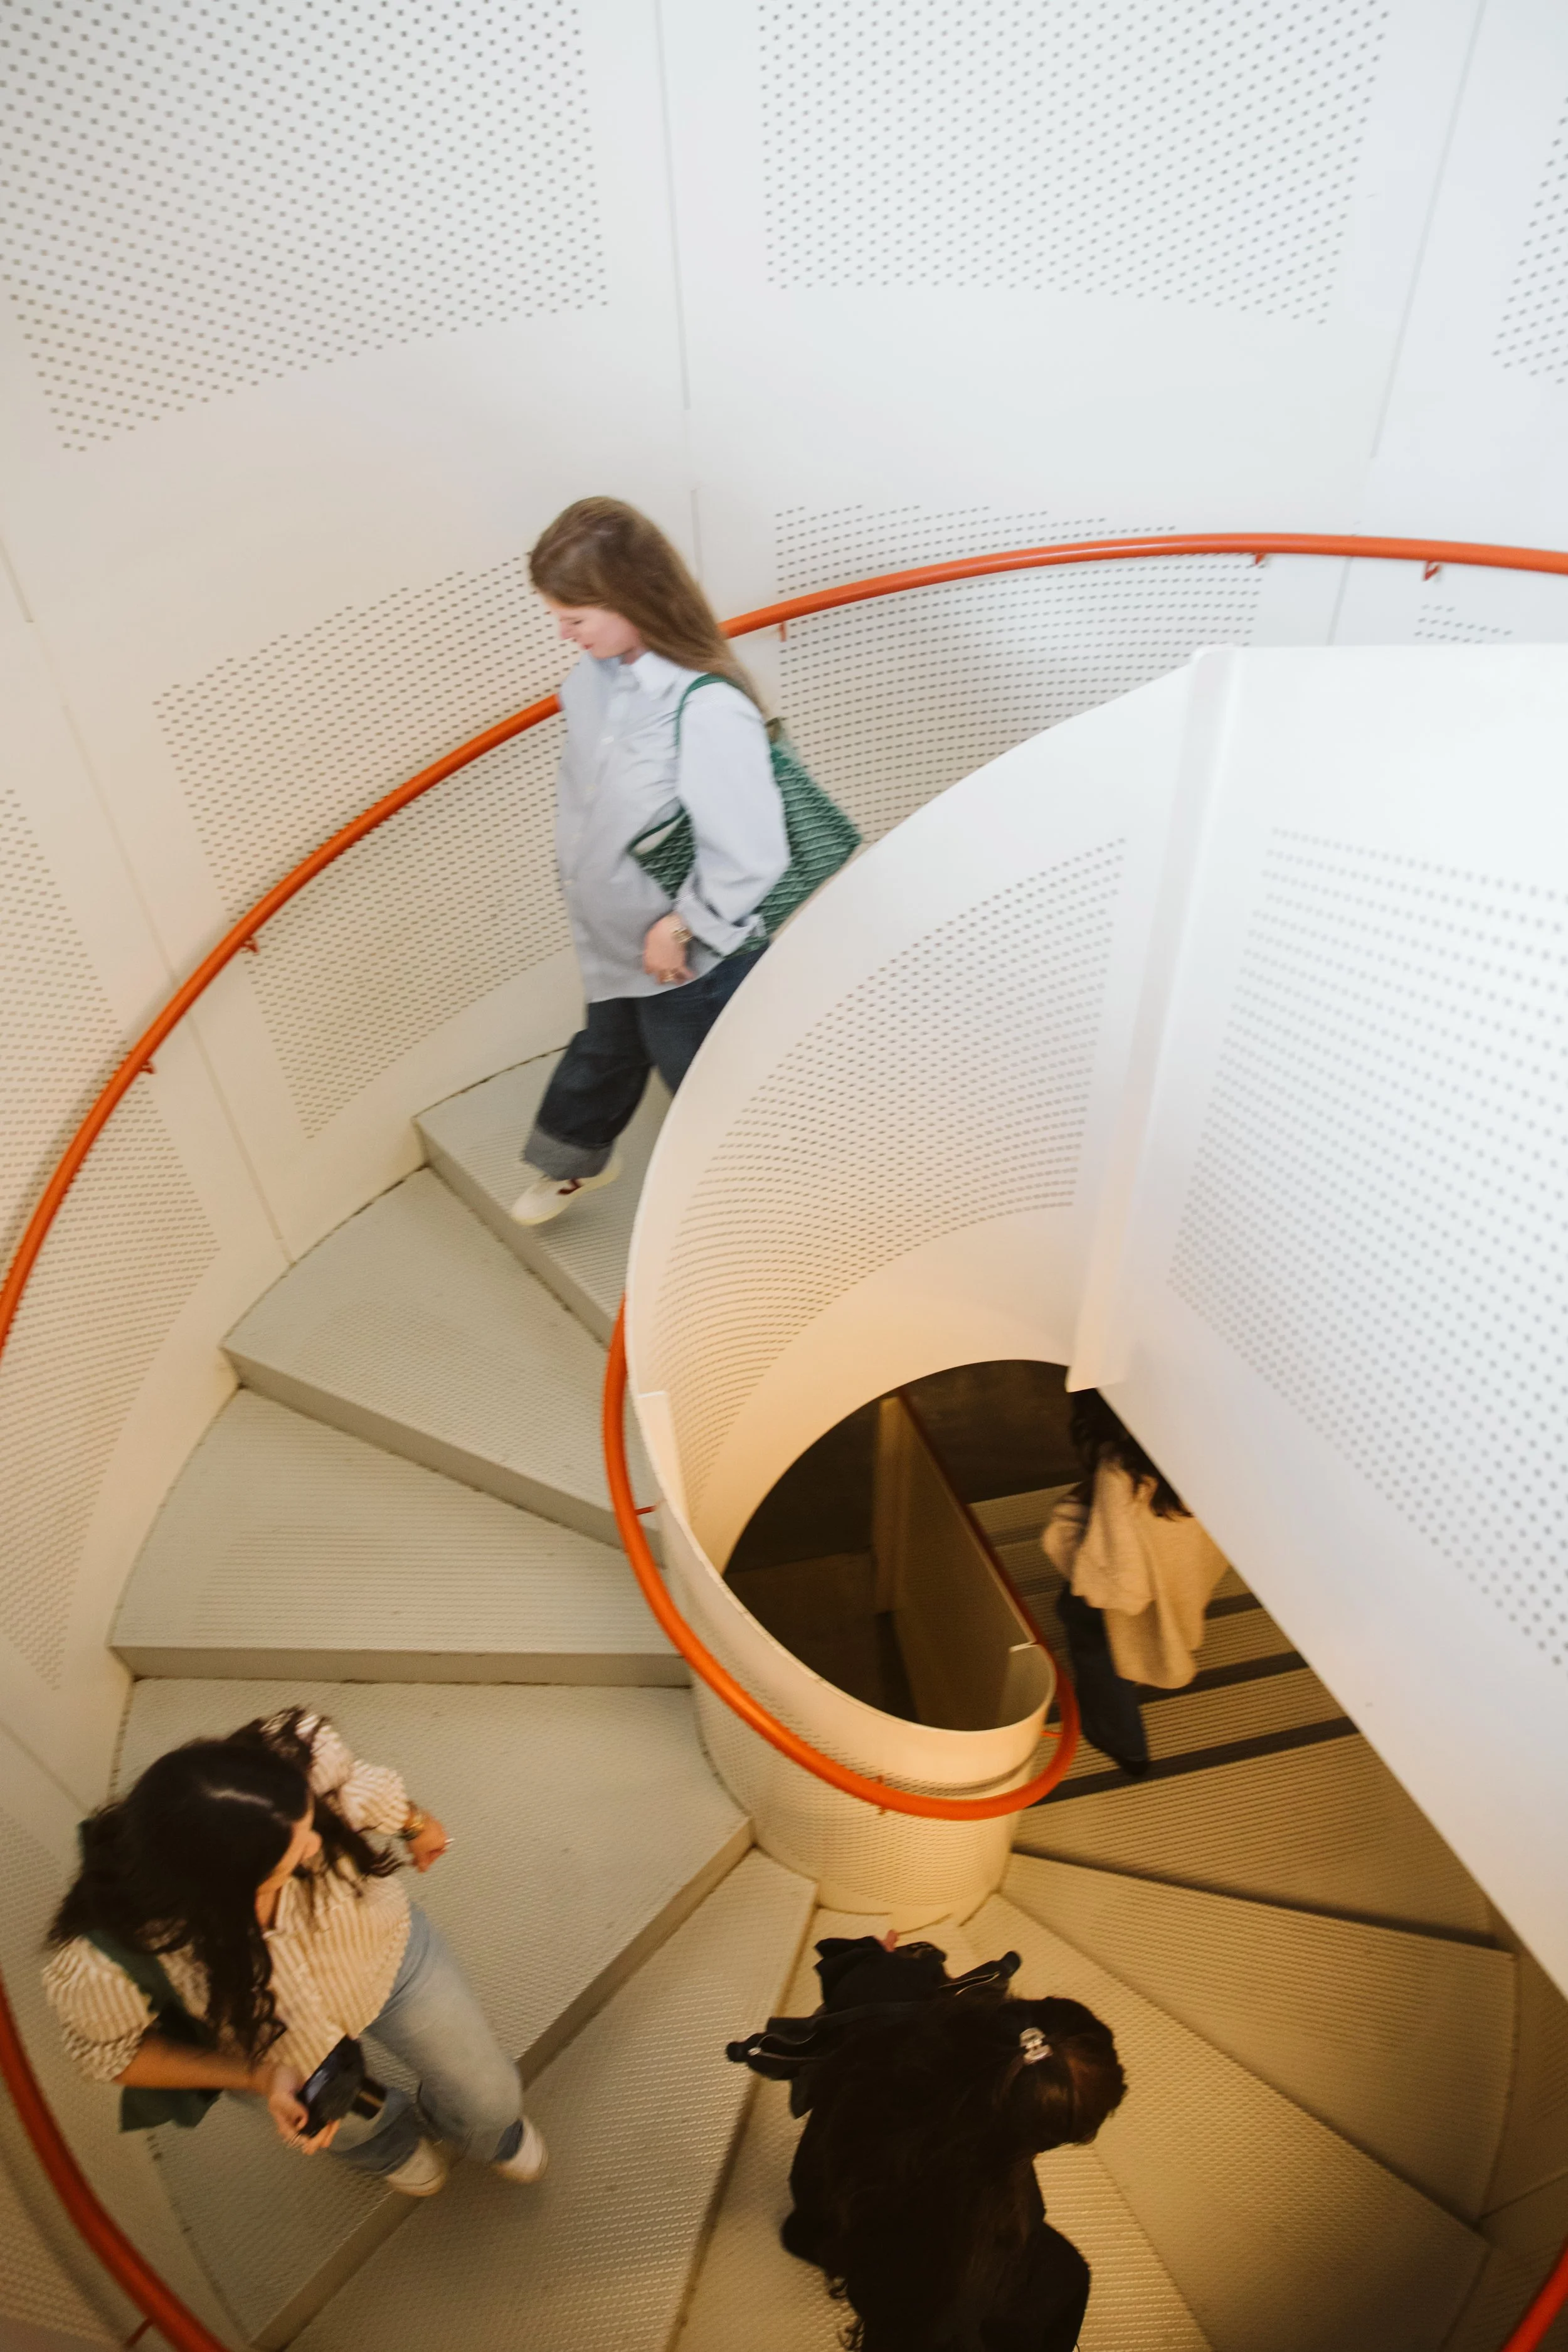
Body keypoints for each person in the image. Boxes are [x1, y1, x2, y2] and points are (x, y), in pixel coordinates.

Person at [42, 1708, 544, 2198]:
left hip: (384, 1956)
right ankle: (388, 2148)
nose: (313, 1848)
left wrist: (415, 1824)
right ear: (223, 1893)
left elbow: (356, 1793)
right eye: (291, 1857)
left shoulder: (298, 1764)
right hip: (268, 2044)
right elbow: (115, 2053)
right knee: (351, 2128)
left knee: (492, 2098)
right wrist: (258, 2077)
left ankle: (481, 2131)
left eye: (309, 1825)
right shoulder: (102, 1964)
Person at [510, 495, 788, 1226]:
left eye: (576, 617)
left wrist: (682, 926)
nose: (564, 633)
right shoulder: (592, 681)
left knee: (709, 1087)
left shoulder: (705, 709)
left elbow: (751, 849)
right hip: (615, 939)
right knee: (603, 1053)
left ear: (631, 598)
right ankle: (569, 1167)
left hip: (684, 958)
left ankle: (757, 1213)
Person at [741, 1932, 1124, 2352]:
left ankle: (814, 2236)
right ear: (1040, 2142)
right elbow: (922, 2326)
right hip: (889, 2253)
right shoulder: (981, 2233)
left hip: (825, 2192)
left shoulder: (904, 2024)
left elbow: (873, 1978)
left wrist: (889, 1961)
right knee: (1067, 2277)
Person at [1042, 1390, 1230, 1776]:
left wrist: (1065, 1519)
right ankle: (1125, 1746)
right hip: (1187, 1580)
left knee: (1098, 1655)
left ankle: (1123, 1746)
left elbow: (1117, 1591)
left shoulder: (1122, 1475)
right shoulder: (1218, 1444)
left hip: (1125, 1612)